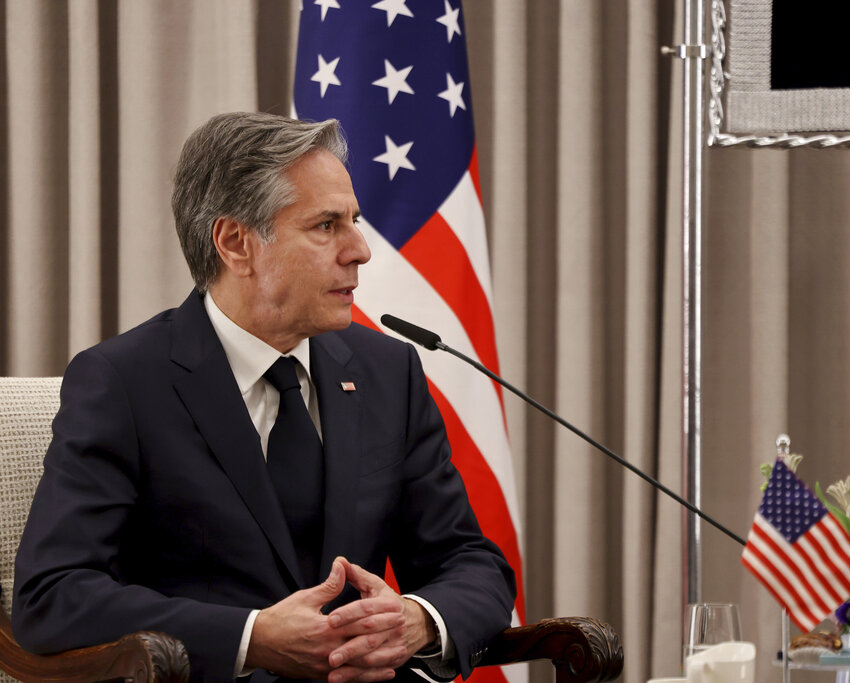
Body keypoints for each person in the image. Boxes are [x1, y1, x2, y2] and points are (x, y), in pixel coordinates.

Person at [12, 112, 516, 683]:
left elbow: (472, 563)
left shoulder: (388, 371)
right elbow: (51, 595)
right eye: (327, 226)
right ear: (235, 243)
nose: (360, 250)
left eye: (355, 220)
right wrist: (249, 637)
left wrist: (416, 619)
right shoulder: (123, 382)